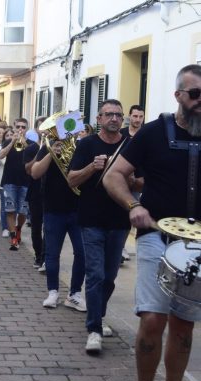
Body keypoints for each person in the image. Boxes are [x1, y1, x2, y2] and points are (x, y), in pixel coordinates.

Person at [103, 64, 201, 381]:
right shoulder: (154, 131)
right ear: (178, 95)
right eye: (196, 94)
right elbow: (113, 176)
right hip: (155, 236)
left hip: (196, 245)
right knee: (153, 318)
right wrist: (134, 206)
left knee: (184, 325)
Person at [67, 99, 131, 354]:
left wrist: (129, 177)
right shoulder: (86, 144)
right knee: (95, 275)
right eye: (109, 115)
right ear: (99, 119)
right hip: (91, 219)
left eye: (118, 114)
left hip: (120, 220)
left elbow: (140, 182)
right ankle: (93, 329)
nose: (114, 119)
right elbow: (72, 180)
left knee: (110, 277)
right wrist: (92, 167)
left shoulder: (130, 146)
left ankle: (98, 316)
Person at [30, 117, 86, 311]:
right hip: (53, 208)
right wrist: (51, 154)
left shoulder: (82, 147)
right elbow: (35, 173)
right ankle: (52, 292)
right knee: (52, 254)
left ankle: (74, 294)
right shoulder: (49, 146)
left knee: (82, 252)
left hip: (79, 209)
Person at [119, 104, 145, 263]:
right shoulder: (121, 134)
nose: (137, 119)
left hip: (137, 181)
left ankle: (121, 246)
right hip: (119, 179)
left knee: (130, 214)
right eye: (135, 116)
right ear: (129, 117)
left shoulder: (146, 134)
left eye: (140, 116)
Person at [0, 118, 30, 250]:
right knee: (10, 210)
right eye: (18, 127)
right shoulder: (7, 141)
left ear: (26, 128)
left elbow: (34, 159)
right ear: (14, 126)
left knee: (23, 211)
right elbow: (0, 156)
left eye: (23, 127)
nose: (20, 129)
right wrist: (12, 141)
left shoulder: (31, 143)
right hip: (9, 180)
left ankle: (18, 229)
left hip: (25, 181)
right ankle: (13, 237)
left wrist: (26, 145)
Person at [23, 116, 46, 269]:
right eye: (41, 126)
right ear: (37, 129)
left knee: (49, 228)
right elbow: (28, 170)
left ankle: (46, 257)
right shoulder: (31, 148)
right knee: (36, 227)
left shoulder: (56, 146)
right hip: (35, 191)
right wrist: (41, 152)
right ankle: (38, 255)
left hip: (50, 192)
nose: (44, 130)